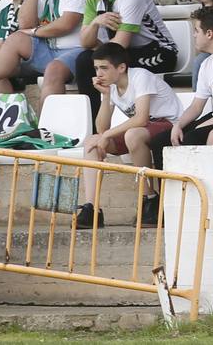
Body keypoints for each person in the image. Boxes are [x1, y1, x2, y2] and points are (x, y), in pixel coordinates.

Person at [70, 42, 180, 229]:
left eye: (104, 68)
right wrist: (105, 96)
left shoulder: (140, 76)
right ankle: (92, 209)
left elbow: (141, 118)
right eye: (96, 68)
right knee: (92, 142)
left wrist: (107, 135)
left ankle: (150, 200)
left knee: (132, 135)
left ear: (121, 68)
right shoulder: (112, 87)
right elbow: (102, 128)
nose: (99, 73)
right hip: (143, 129)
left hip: (169, 125)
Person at [150, 7, 213, 153]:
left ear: (209, 34)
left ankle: (190, 176)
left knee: (190, 138)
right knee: (159, 142)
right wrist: (178, 125)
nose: (193, 35)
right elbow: (196, 106)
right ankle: (165, 177)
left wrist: (200, 126)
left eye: (197, 30)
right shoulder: (206, 63)